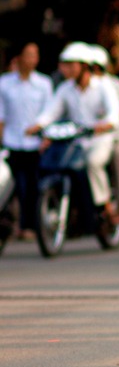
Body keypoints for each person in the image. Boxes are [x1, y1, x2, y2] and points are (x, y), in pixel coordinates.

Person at [27, 42, 119, 223]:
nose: (66, 69)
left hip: (100, 138)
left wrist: (105, 124)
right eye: (65, 64)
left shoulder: (104, 85)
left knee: (93, 162)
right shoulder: (65, 88)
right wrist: (38, 125)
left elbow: (113, 114)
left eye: (71, 65)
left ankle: (105, 206)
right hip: (75, 140)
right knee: (58, 164)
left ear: (84, 66)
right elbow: (51, 112)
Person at [0, 42, 53, 240]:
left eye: (35, 54)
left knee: (32, 187)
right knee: (13, 186)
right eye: (28, 54)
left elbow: (49, 113)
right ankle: (12, 225)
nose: (32, 59)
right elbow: (1, 116)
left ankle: (30, 226)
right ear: (18, 57)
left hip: (35, 145)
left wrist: (46, 136)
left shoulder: (44, 83)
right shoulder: (4, 83)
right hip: (12, 142)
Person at [90, 44, 119, 226]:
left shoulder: (115, 84)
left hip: (116, 134)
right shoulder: (82, 87)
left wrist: (110, 116)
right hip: (91, 136)